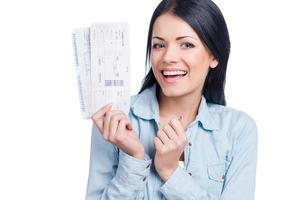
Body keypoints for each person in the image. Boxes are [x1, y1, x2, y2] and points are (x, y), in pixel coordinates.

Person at [85, 0, 258, 199]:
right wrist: (134, 158)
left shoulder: (237, 129)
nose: (168, 57)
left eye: (186, 44)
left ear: (214, 56)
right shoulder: (116, 117)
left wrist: (170, 172)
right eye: (159, 45)